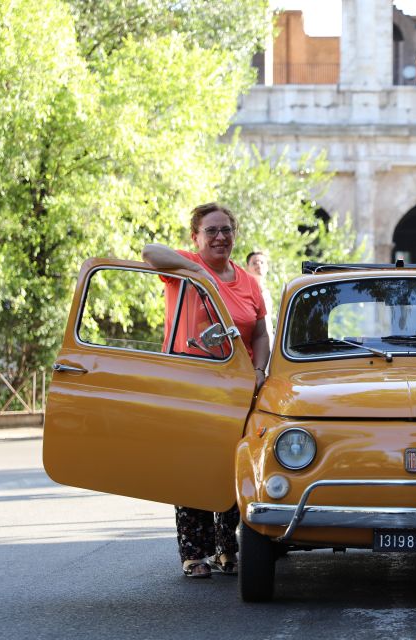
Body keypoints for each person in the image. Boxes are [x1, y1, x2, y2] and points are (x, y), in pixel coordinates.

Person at [142, 202, 270, 579]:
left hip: (237, 387)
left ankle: (227, 548)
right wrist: (196, 270)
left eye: (226, 230)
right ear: (195, 237)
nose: (220, 237)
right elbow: (149, 252)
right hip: (190, 384)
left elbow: (260, 331)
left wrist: (260, 370)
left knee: (233, 466)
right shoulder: (183, 269)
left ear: (235, 235)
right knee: (192, 466)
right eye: (211, 231)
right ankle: (195, 553)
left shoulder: (248, 282)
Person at [246, 250, 275, 346]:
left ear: (267, 267)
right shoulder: (246, 292)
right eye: (254, 263)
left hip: (269, 343)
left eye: (262, 262)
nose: (259, 265)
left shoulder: (267, 292)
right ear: (247, 267)